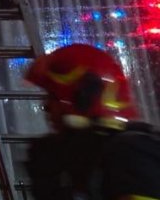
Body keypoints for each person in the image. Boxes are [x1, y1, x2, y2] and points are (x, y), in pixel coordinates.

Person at [24, 43, 160, 200]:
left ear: (84, 97)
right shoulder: (71, 155)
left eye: (53, 97)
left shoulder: (129, 153)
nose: (46, 107)